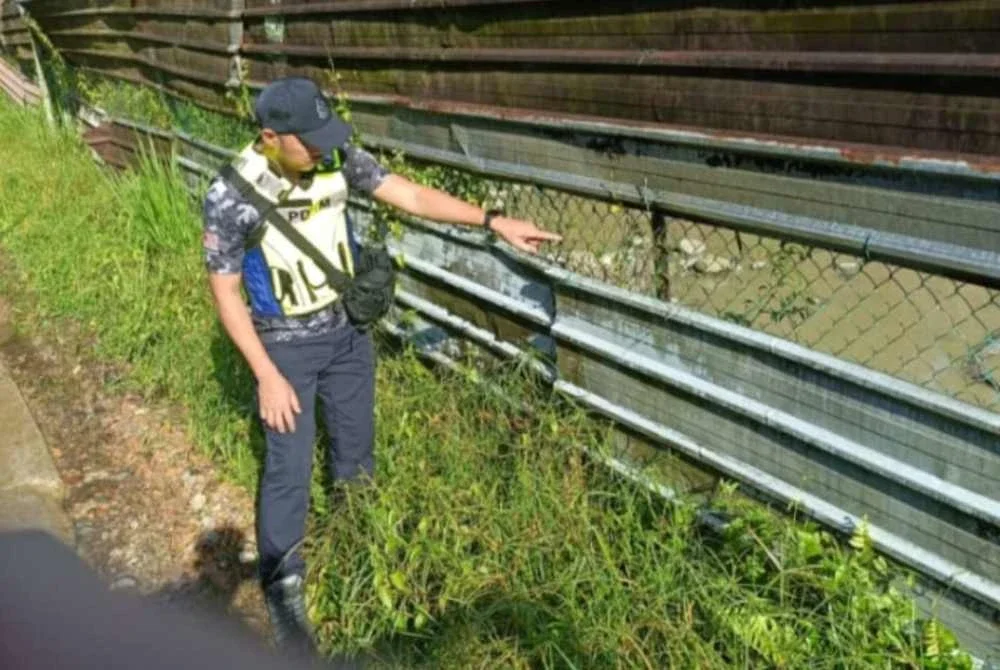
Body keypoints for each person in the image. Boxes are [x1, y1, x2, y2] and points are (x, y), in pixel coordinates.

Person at [201, 76, 561, 655]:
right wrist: (266, 374)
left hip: (347, 334)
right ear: (270, 136)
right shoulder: (232, 193)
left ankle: (356, 546)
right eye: (308, 140)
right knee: (289, 467)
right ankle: (284, 586)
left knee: (355, 450)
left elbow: (411, 195)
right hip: (284, 347)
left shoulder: (336, 156)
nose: (322, 148)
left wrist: (493, 221)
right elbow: (225, 291)